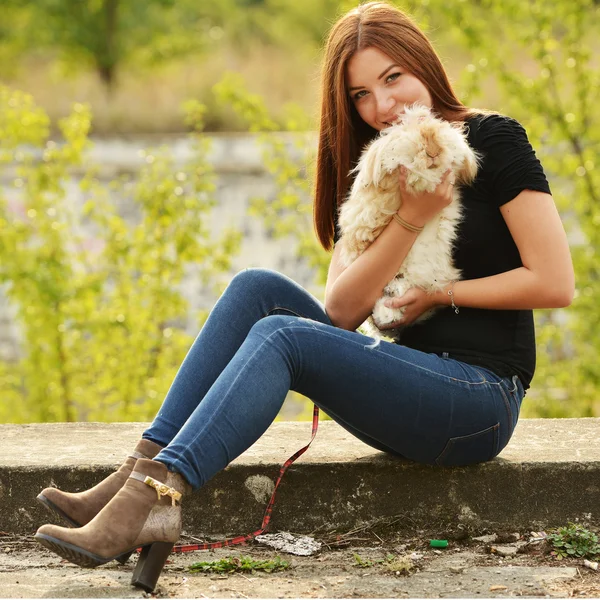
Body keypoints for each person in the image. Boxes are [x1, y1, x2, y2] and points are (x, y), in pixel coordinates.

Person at [34, 0, 574, 592]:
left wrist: (437, 294)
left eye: (392, 78)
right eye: (361, 95)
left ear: (423, 63)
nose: (383, 106)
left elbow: (554, 282)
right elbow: (342, 313)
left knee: (284, 336)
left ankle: (157, 495)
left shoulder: (493, 140)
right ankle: (134, 481)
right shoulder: (376, 164)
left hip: (479, 399)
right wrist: (410, 220)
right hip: (406, 385)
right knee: (256, 291)